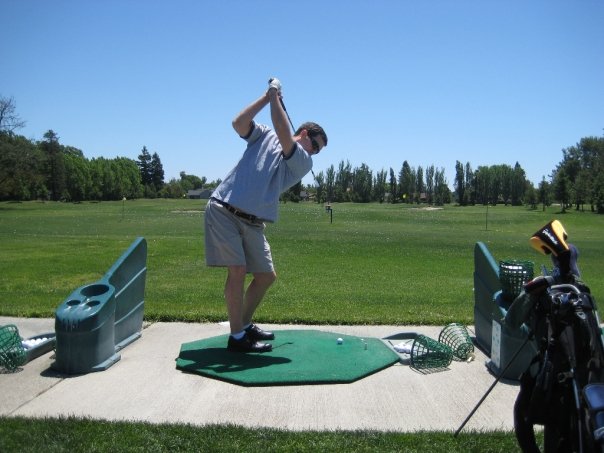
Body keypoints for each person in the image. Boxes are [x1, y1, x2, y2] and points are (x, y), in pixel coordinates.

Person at [204, 78, 327, 353]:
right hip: (224, 209)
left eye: (318, 151)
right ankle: (238, 338)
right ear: (304, 133)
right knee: (236, 271)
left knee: (266, 276)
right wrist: (265, 96)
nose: (315, 153)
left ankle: (244, 324)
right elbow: (238, 123)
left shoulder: (302, 162)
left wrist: (274, 98)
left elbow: (284, 133)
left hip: (253, 221)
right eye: (315, 146)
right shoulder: (264, 134)